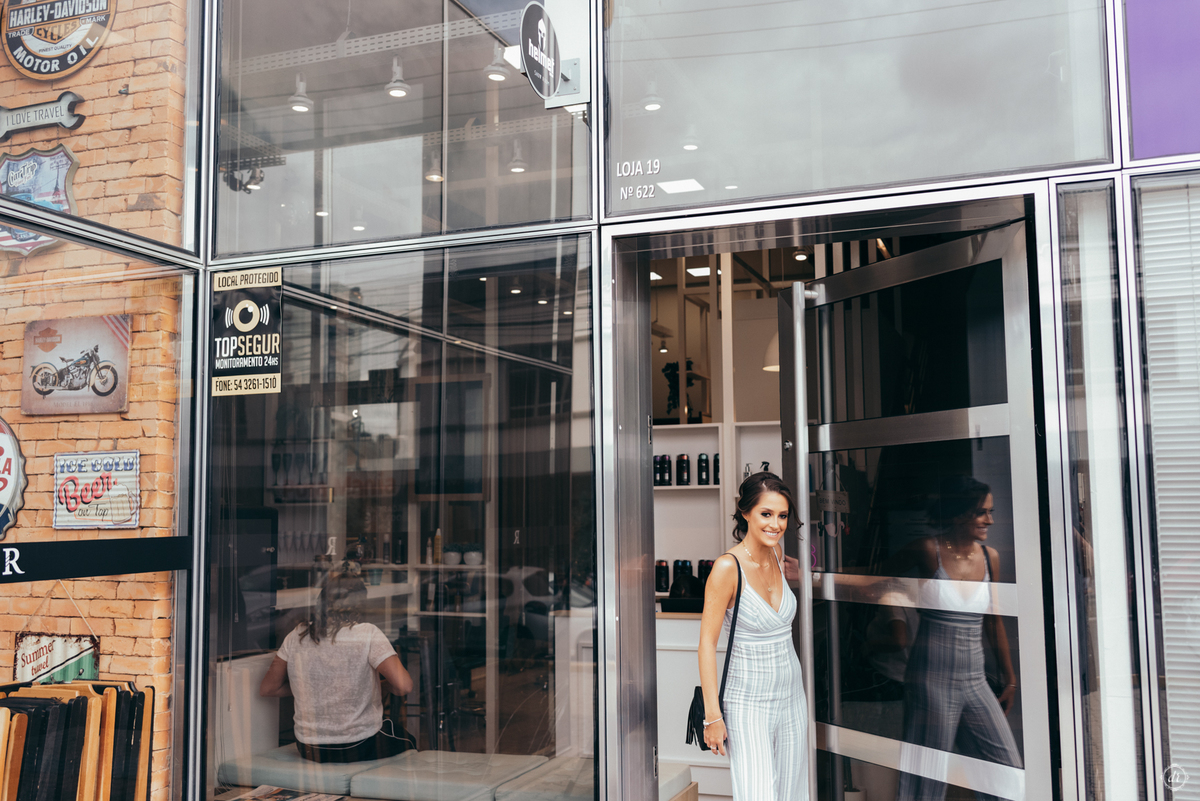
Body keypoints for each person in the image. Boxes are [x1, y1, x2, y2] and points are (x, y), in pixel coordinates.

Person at [890, 476, 1022, 800]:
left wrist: (1010, 679)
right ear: (960, 513)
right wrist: (811, 575)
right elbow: (872, 576)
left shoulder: (990, 557)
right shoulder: (928, 550)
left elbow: (993, 620)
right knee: (927, 780)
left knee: (1006, 773)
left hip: (975, 680)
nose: (990, 520)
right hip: (931, 680)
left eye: (991, 512)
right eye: (982, 512)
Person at [698, 472, 808, 800]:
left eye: (782, 516)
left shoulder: (777, 554)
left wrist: (805, 574)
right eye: (766, 514)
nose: (776, 524)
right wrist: (712, 717)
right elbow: (706, 645)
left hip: (792, 696)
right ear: (745, 513)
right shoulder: (726, 568)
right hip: (748, 703)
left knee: (792, 793)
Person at [259, 571, 415, 762]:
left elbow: (269, 688)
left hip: (309, 747)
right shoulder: (368, 633)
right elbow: (404, 686)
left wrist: (315, 689)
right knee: (409, 741)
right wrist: (382, 686)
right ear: (360, 604)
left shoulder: (297, 635)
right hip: (358, 744)